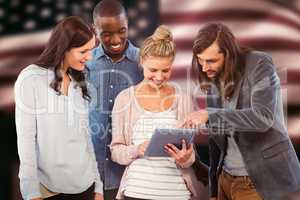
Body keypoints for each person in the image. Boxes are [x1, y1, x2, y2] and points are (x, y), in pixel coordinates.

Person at [179, 23, 300, 200]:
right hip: (225, 179)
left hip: (258, 180)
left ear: (228, 54)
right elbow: (216, 141)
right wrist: (214, 189)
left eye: (211, 60)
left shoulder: (259, 63)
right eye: (200, 60)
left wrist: (209, 114)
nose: (204, 68)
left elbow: (263, 117)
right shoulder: (213, 79)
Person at [110, 25, 208, 200]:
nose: (159, 76)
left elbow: (190, 155)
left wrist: (186, 158)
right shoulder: (125, 99)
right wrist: (137, 150)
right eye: (153, 70)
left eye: (166, 70)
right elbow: (116, 151)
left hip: (176, 193)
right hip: (136, 192)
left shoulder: (183, 98)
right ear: (141, 63)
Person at [14, 16, 104, 200]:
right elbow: (26, 141)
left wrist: (99, 186)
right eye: (83, 51)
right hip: (48, 190)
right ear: (64, 48)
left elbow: (86, 139)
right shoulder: (31, 78)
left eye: (92, 50)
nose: (89, 57)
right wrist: (30, 192)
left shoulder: (80, 83)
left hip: (86, 187)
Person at [86, 0, 143, 199]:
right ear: (94, 29)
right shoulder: (85, 62)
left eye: (122, 30)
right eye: (106, 33)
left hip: (129, 173)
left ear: (128, 24)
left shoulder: (143, 62)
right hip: (90, 169)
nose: (116, 39)